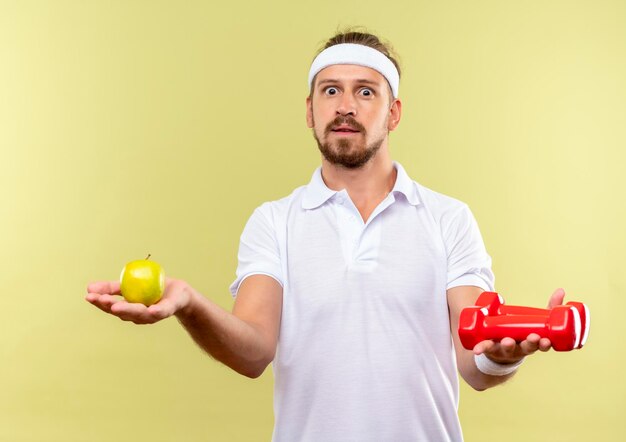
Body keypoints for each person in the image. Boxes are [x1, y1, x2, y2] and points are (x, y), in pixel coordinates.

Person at [86, 30, 567, 441]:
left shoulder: (449, 219)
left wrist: (501, 356)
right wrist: (189, 303)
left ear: (393, 112)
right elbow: (254, 351)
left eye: (365, 92)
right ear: (310, 111)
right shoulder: (274, 221)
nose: (345, 107)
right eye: (330, 91)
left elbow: (474, 358)